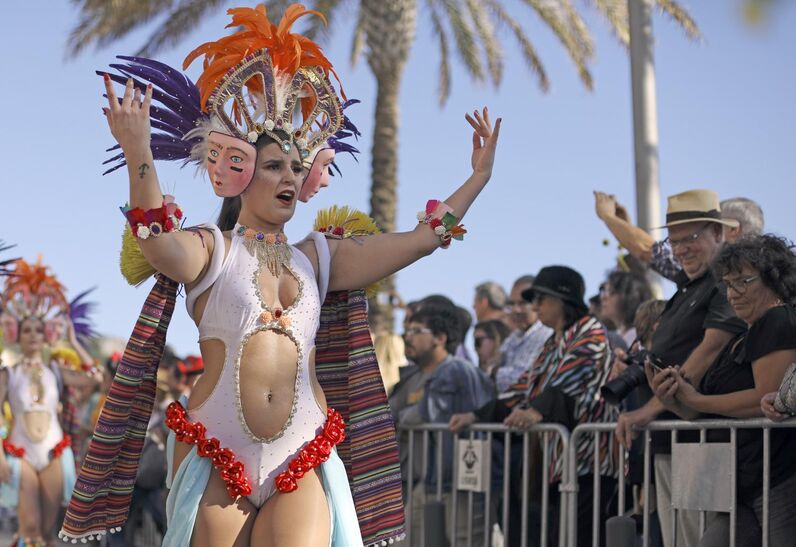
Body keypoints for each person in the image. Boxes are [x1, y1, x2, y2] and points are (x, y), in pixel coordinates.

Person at [59, 5, 502, 546]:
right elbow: (157, 245)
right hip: (216, 451)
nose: (289, 176)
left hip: (302, 450)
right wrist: (138, 153)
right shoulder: (211, 249)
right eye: (274, 166)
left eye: (297, 167)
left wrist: (476, 180)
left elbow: (422, 239)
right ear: (238, 171)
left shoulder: (318, 256)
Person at [614, 190, 748, 547]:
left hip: (702, 440)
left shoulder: (725, 284)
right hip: (675, 439)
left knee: (694, 539)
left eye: (691, 237)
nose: (681, 248)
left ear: (718, 234)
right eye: (674, 240)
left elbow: (711, 347)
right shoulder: (689, 287)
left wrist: (648, 409)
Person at [450, 265, 617, 547]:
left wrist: (536, 411)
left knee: (582, 537)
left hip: (592, 463)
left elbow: (568, 380)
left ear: (563, 301)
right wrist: (476, 415)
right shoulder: (554, 341)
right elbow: (525, 387)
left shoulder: (591, 334)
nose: (534, 306)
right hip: (561, 463)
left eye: (541, 299)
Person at [648, 234, 796, 547]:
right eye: (727, 284)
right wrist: (671, 398)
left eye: (743, 281)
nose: (733, 293)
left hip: (779, 478)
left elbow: (767, 397)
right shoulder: (740, 339)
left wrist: (697, 399)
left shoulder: (777, 319)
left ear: (774, 278)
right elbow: (702, 412)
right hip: (744, 485)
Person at [0, 258, 100, 547]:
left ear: (47, 337)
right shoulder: (8, 373)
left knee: (47, 532)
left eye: (38, 331)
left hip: (54, 452)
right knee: (29, 527)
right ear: (17, 335)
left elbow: (95, 378)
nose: (33, 335)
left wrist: (75, 343)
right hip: (21, 452)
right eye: (27, 330)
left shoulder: (56, 371)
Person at [398, 306, 494, 545]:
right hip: (439, 481)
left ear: (440, 339)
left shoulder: (451, 370)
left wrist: (401, 415)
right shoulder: (455, 370)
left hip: (456, 483)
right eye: (407, 330)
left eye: (416, 330)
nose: (407, 336)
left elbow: (426, 413)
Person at [594, 191, 764, 281]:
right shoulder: (765, 270)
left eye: (714, 225)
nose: (681, 250)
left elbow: (648, 250)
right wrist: (625, 227)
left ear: (733, 230)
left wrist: (608, 217)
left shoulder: (719, 270)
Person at [494, 275, 553, 394]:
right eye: (512, 304)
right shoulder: (514, 337)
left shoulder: (547, 336)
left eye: (522, 303)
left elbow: (524, 381)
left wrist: (496, 372)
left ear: (538, 303)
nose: (516, 310)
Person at [600, 271, 652, 347]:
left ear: (630, 297)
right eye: (604, 292)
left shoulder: (638, 340)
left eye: (610, 291)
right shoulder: (615, 334)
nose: (603, 297)